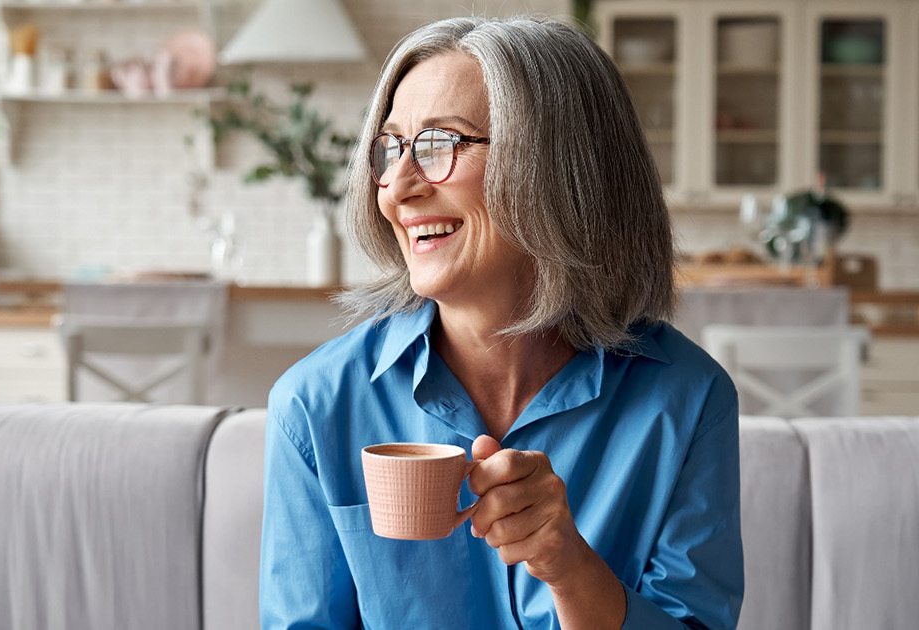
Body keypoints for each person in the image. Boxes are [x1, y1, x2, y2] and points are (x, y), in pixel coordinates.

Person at [259, 15, 742, 630]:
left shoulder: (686, 401)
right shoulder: (315, 406)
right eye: (391, 149)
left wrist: (569, 569)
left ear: (561, 169)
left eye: (440, 144)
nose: (397, 188)